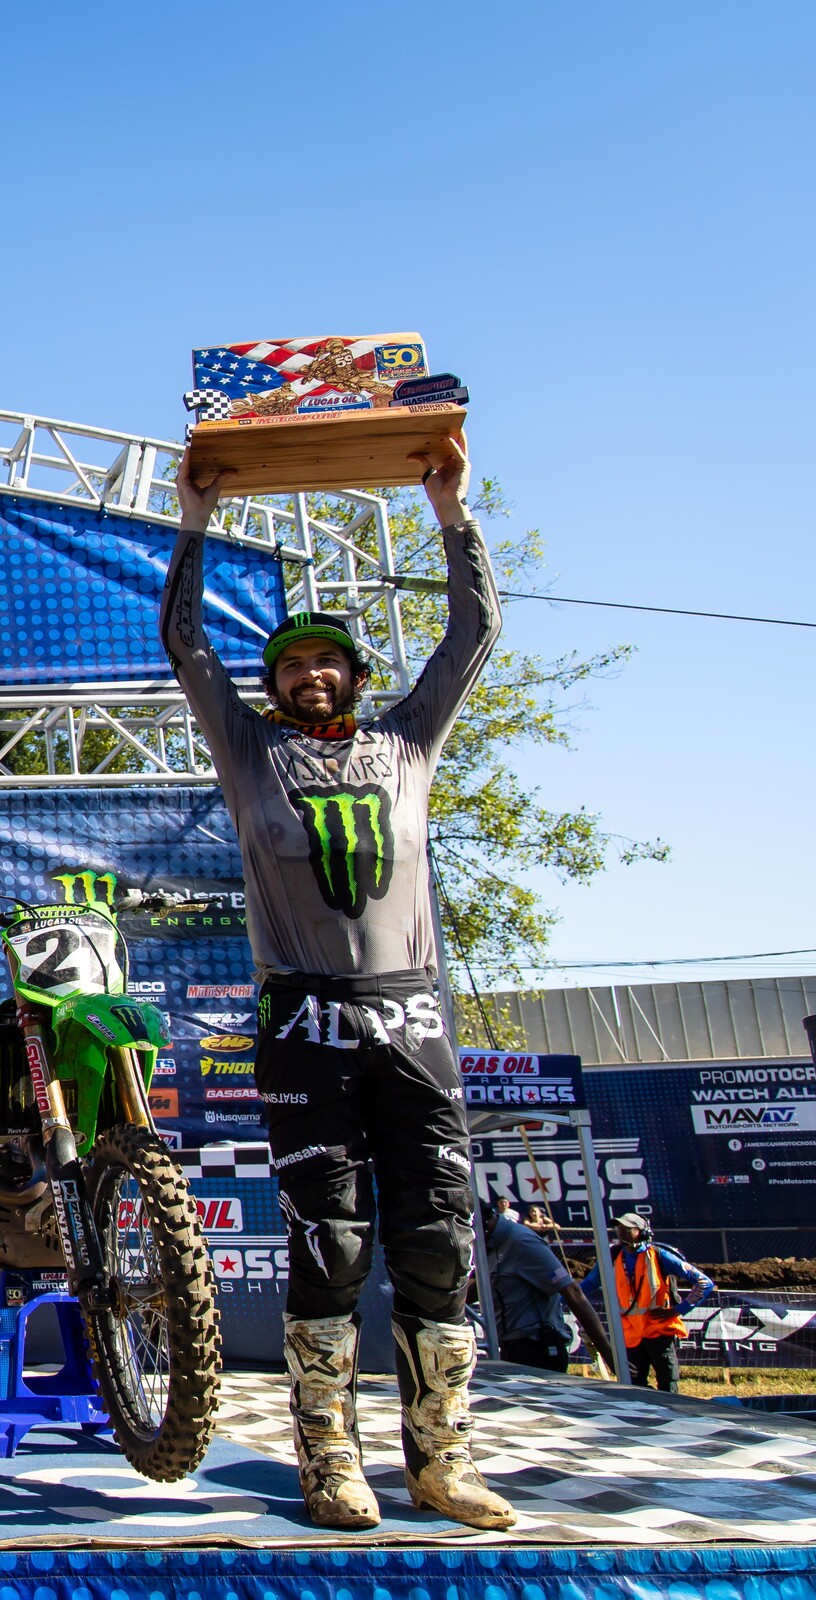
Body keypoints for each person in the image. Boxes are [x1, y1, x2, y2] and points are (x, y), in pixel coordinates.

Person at [161, 437, 511, 1532]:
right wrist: (193, 521)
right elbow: (184, 643)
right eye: (292, 664)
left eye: (329, 660)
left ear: (357, 676)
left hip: (413, 1012)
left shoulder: (408, 744)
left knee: (440, 1240)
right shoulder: (251, 752)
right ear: (272, 685)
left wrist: (451, 511)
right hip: (304, 1017)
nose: (310, 672)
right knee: (334, 1241)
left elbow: (473, 634)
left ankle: (442, 1459)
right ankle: (329, 1459)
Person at [579, 1212, 714, 1392]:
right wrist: (562, 1295)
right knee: (634, 1388)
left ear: (642, 1231)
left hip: (659, 1332)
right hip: (629, 1335)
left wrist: (677, 1310)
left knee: (668, 1387)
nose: (621, 1231)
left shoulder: (660, 1255)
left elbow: (704, 1283)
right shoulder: (612, 1256)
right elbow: (590, 1283)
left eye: (628, 1228)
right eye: (619, 1227)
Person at [485, 1203, 615, 1375]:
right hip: (510, 1346)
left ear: (482, 1223)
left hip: (538, 1349)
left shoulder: (522, 1241)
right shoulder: (489, 1246)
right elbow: (475, 1287)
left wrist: (609, 1355)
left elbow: (573, 1290)